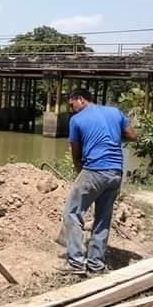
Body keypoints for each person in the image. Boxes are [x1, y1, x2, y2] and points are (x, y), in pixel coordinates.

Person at [60, 88, 136, 275]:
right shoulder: (115, 112)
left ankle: (76, 262)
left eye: (72, 104)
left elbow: (75, 151)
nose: (71, 109)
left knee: (72, 213)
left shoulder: (76, 120)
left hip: (95, 169)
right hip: (116, 172)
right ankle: (96, 264)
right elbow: (132, 136)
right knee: (103, 218)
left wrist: (79, 169)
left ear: (81, 99)